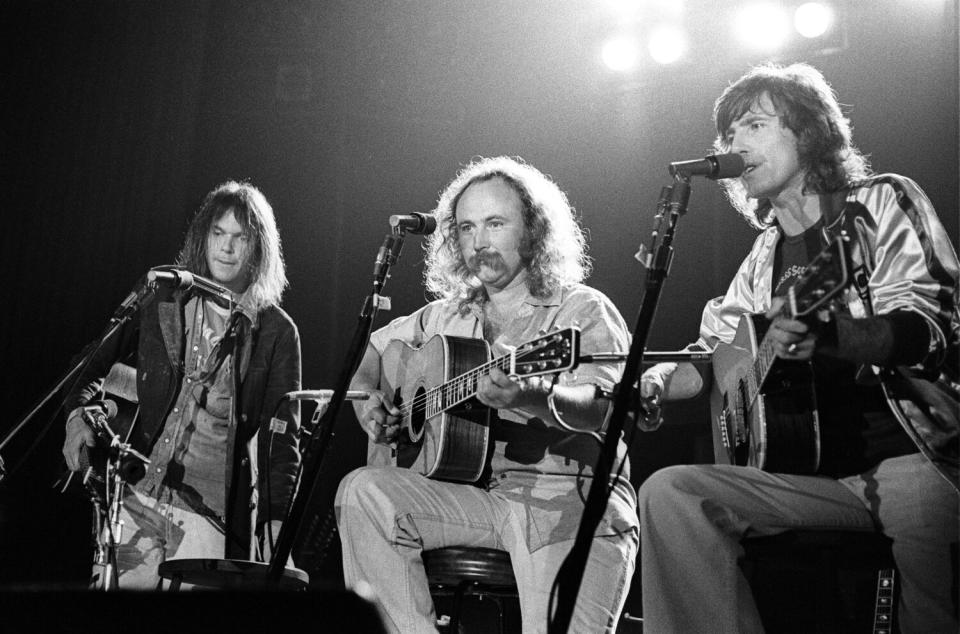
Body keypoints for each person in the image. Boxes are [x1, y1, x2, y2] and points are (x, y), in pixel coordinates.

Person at [636, 63, 959, 633]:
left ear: (808, 132)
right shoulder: (762, 258)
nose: (736, 146)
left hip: (912, 456)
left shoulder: (877, 205)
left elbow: (932, 327)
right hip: (806, 476)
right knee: (671, 492)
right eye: (729, 135)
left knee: (933, 541)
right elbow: (712, 356)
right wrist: (659, 380)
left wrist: (832, 336)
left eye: (755, 125)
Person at [335, 156, 637, 633]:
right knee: (363, 491)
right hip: (478, 499)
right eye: (466, 228)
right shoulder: (447, 315)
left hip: (565, 502)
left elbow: (605, 407)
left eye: (495, 223)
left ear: (533, 230)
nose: (479, 241)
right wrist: (369, 401)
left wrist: (533, 394)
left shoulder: (581, 308)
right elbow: (371, 354)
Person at [62, 180, 302, 589]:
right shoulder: (166, 298)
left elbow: (284, 442)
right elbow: (91, 364)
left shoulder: (276, 331)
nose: (226, 248)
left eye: (240, 238)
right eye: (218, 233)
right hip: (136, 497)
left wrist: (276, 528)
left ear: (258, 248)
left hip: (209, 518)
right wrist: (76, 418)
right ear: (203, 236)